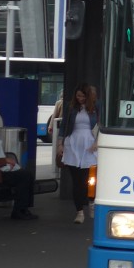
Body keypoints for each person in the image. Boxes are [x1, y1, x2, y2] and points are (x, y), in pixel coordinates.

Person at [57, 83, 98, 224]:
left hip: (90, 143)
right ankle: (79, 212)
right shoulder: (70, 107)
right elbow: (64, 126)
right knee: (76, 180)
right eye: (78, 95)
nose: (80, 98)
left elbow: (101, 125)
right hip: (73, 142)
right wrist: (60, 144)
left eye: (82, 96)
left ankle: (91, 203)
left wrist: (96, 142)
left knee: (88, 179)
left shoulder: (96, 108)